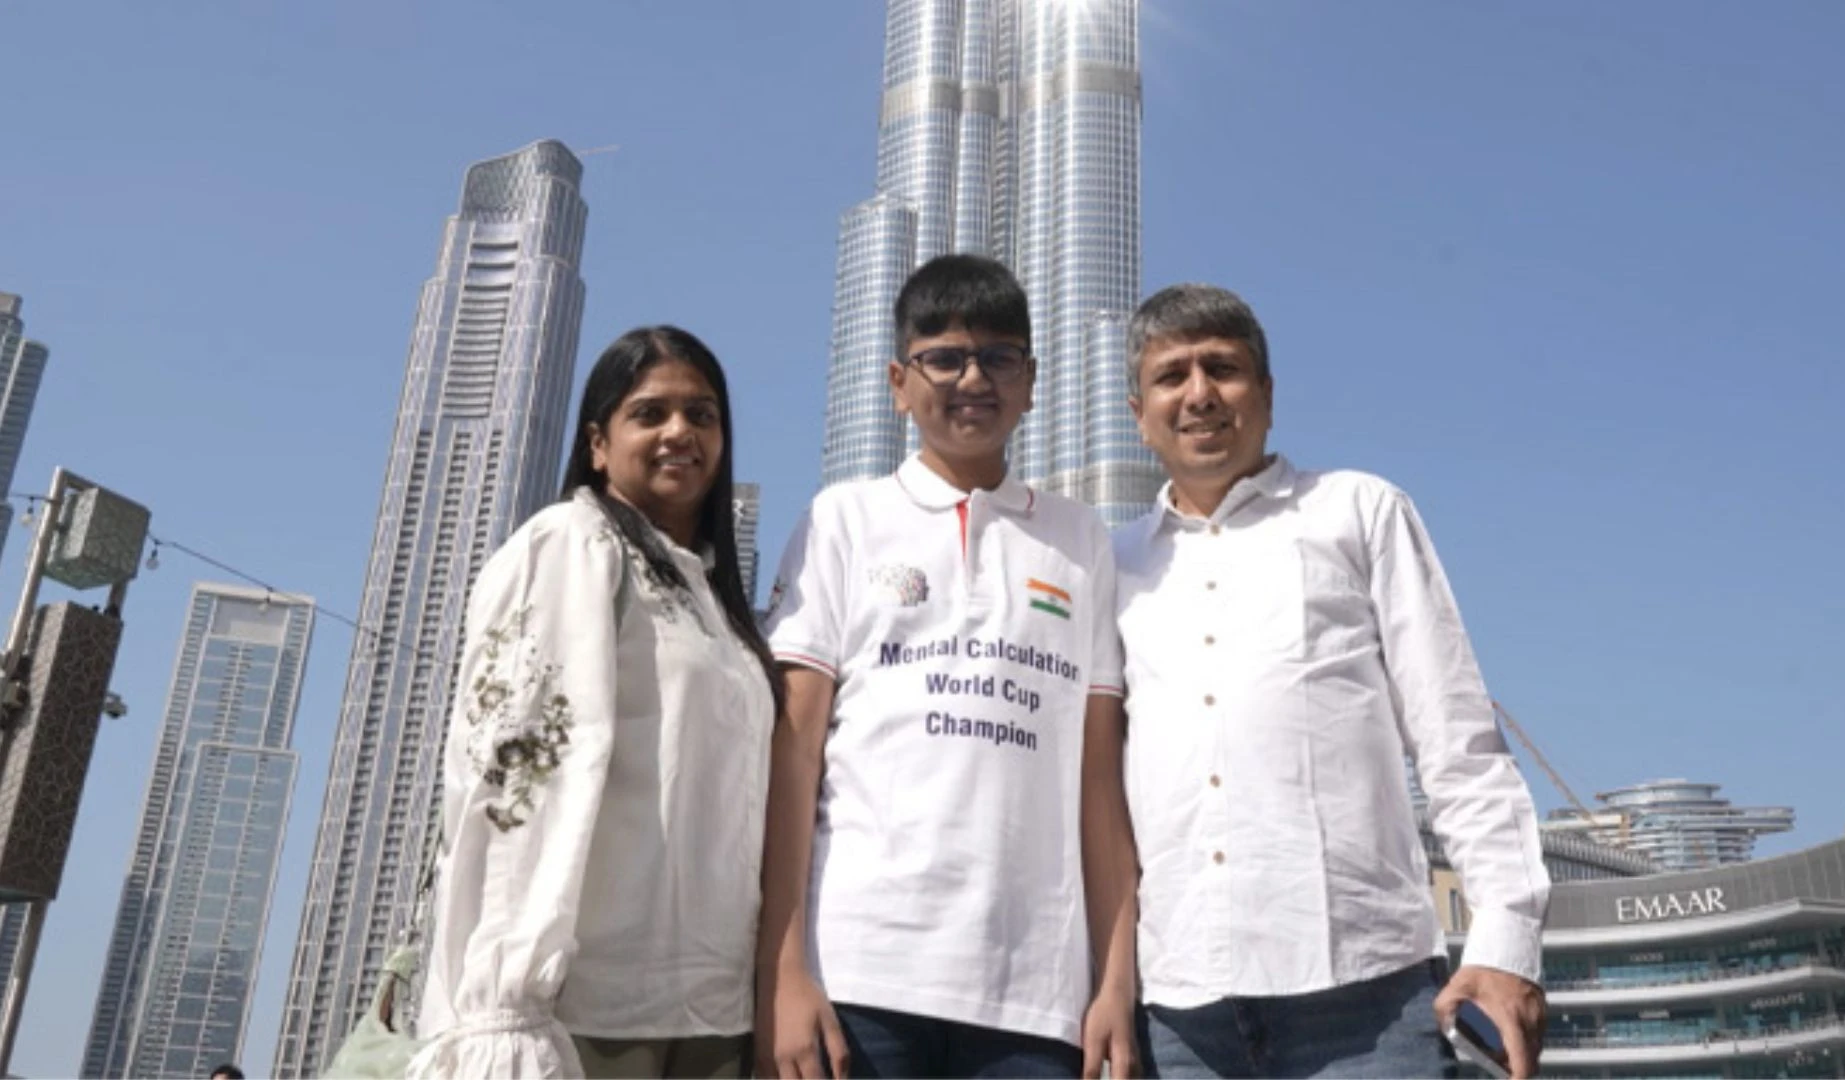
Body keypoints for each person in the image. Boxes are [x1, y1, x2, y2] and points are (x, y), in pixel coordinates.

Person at [1112, 284, 1552, 1079]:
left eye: (1224, 368)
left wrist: (1508, 937)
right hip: (1176, 1014)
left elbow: (1457, 740)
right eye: (1172, 376)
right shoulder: (1111, 567)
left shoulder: (1358, 512)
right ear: (1139, 413)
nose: (1200, 393)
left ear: (1269, 396)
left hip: (1365, 999)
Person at [755, 254, 1138, 1080]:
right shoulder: (842, 520)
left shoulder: (1081, 541)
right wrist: (783, 974)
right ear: (899, 381)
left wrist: (1114, 982)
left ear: (1031, 381)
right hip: (857, 978)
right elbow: (794, 754)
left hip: (1037, 1001)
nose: (974, 377)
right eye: (945, 358)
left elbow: (1100, 786)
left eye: (1000, 357)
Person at [408, 327, 781, 1080]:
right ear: (598, 442)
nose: (681, 431)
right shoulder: (572, 546)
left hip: (714, 1008)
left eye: (702, 415)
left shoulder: (715, 605)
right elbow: (515, 780)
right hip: (582, 1011)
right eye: (651, 413)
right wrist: (503, 1005)